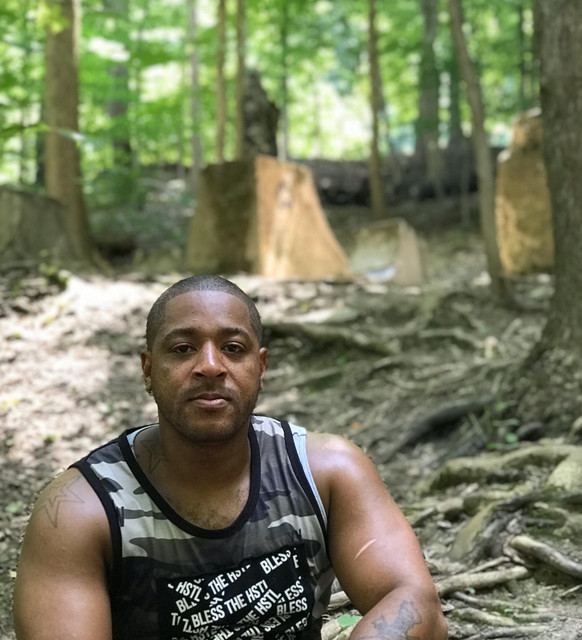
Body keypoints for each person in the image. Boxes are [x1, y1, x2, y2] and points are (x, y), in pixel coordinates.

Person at [13, 275, 447, 640]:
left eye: (233, 348)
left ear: (261, 367)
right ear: (148, 370)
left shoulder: (327, 472)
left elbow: (413, 601)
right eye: (182, 349)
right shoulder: (79, 510)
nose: (210, 366)